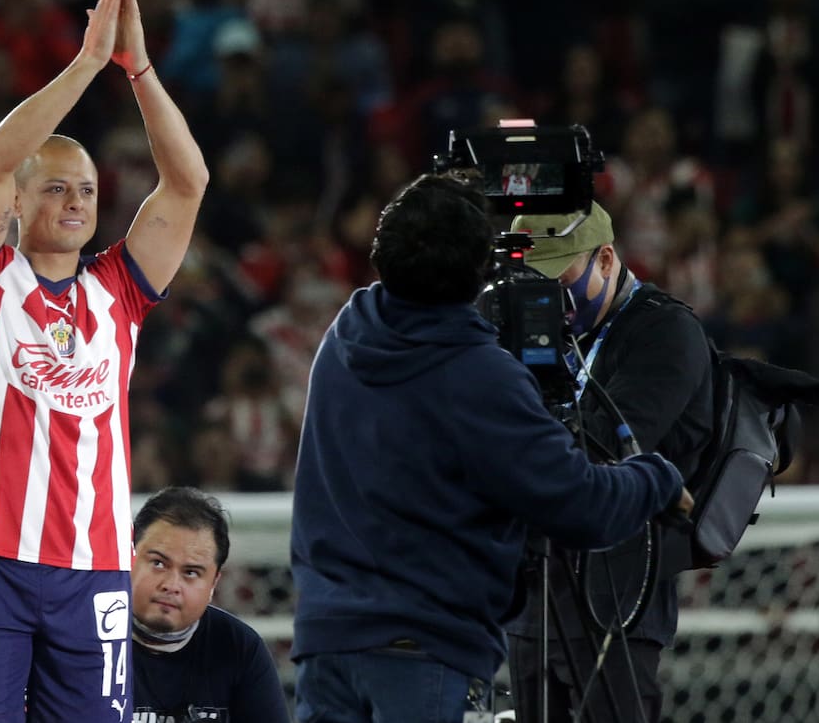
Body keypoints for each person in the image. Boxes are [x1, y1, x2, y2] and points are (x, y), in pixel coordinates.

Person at [289, 174, 692, 723]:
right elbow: (584, 507)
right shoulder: (478, 374)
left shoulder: (346, 333)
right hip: (424, 652)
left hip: (324, 645)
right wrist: (659, 478)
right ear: (482, 269)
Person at [0, 0, 208, 722]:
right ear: (18, 202)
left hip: (93, 574)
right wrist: (87, 63)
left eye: (86, 189)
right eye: (55, 186)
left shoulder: (118, 290)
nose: (75, 200)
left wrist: (139, 69)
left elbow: (186, 184)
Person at [504, 201, 713, 722]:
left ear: (605, 259)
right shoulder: (527, 336)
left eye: (559, 276)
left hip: (615, 600)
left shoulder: (664, 332)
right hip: (532, 599)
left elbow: (594, 453)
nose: (547, 295)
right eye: (532, 280)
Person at [130, 486, 290, 722]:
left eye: (191, 573)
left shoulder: (240, 648)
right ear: (128, 557)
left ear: (214, 583)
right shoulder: (83, 637)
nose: (171, 585)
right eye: (158, 563)